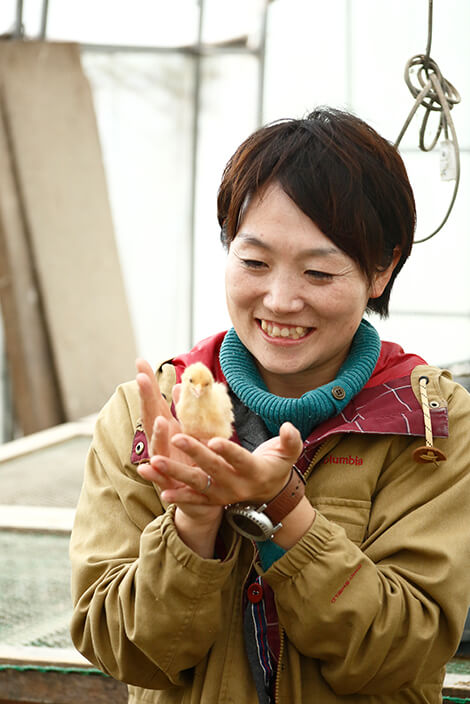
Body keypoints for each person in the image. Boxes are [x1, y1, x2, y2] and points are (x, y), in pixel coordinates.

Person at [70, 107, 470, 704]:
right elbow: (121, 648)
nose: (280, 300)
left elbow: (401, 651)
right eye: (254, 262)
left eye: (318, 271)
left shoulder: (431, 426)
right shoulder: (144, 417)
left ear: (381, 269)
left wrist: (284, 510)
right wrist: (194, 523)